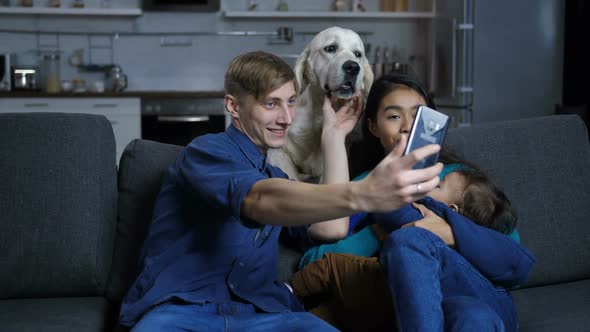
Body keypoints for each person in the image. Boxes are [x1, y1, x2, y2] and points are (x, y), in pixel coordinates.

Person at [118, 52, 444, 331]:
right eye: (271, 104)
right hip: (182, 313)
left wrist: (333, 135)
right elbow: (259, 199)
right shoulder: (206, 151)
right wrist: (364, 193)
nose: (286, 118)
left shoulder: (276, 177)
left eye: (291, 103)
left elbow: (332, 227)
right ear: (233, 106)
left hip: (263, 316)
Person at [294, 74, 536, 332]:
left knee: (417, 249)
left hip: (480, 291)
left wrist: (448, 231)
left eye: (418, 115)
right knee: (472, 317)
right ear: (374, 127)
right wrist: (385, 226)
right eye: (394, 116)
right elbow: (314, 262)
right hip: (417, 308)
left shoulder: (457, 178)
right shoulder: (366, 187)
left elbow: (513, 262)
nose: (407, 126)